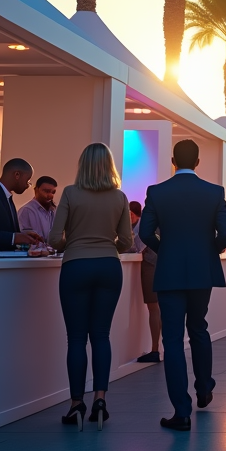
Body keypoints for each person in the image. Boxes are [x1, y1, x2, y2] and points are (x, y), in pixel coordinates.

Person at [139, 139, 226, 432]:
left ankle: (181, 411)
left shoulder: (157, 192)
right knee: (199, 328)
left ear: (172, 160)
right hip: (201, 273)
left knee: (173, 339)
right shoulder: (214, 192)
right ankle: (204, 388)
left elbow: (144, 233)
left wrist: (164, 249)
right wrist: (209, 251)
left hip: (168, 273)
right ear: (198, 162)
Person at [49, 143, 132, 431]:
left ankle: (76, 405)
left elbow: (53, 238)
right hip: (109, 267)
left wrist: (71, 243)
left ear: (82, 165)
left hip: (76, 266)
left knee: (76, 339)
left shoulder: (71, 193)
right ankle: (100, 399)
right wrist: (108, 245)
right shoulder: (120, 197)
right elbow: (127, 242)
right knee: (101, 335)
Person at [129, 201, 161, 363]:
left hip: (151, 264)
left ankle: (156, 349)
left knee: (154, 306)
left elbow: (136, 244)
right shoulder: (156, 220)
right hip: (156, 263)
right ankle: (159, 348)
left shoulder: (147, 223)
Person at [17, 176, 57, 244]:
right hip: (33, 253)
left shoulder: (53, 211)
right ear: (36, 190)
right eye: (46, 191)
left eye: (53, 192)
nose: (50, 195)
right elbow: (22, 237)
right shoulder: (26, 211)